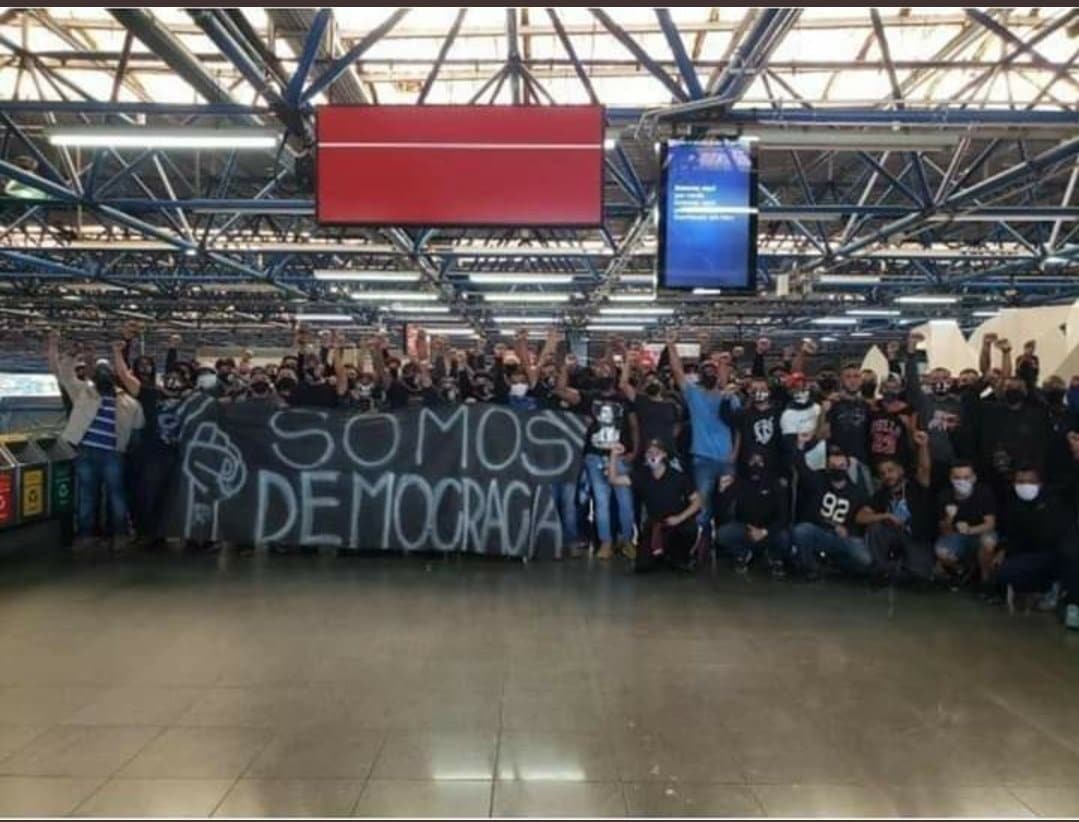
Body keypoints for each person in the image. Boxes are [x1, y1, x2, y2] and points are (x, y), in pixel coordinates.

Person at [46, 331, 145, 554]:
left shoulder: (128, 402)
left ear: (113, 376)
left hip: (110, 454)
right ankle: (89, 536)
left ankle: (115, 535)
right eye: (100, 371)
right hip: (89, 453)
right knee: (91, 497)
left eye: (106, 371)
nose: (103, 374)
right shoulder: (84, 392)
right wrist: (71, 354)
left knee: (110, 496)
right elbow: (65, 375)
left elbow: (138, 430)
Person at [664, 330, 741, 561]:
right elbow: (677, 372)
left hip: (727, 461)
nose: (709, 371)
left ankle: (727, 548)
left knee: (728, 508)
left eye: (713, 369)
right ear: (699, 374)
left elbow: (739, 429)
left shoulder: (730, 398)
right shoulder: (694, 395)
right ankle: (699, 548)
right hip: (703, 461)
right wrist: (671, 346)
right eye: (705, 369)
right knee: (703, 508)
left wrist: (735, 455)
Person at [555, 355, 639, 559]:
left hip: (619, 456)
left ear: (615, 374)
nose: (604, 371)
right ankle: (607, 543)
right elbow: (560, 391)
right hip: (594, 456)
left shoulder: (624, 397)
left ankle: (627, 541)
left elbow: (635, 426)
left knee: (625, 502)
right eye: (600, 368)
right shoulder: (589, 396)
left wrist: (634, 452)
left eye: (607, 368)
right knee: (601, 502)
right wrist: (564, 368)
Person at [988, 466, 1076, 609]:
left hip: (1054, 553)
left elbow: (1056, 535)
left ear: (1039, 484)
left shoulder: (1054, 503)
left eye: (1030, 481)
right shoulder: (1012, 504)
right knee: (1004, 571)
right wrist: (1003, 550)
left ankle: (1056, 588)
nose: (1025, 485)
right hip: (1027, 554)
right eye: (1020, 482)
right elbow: (1010, 532)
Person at [608, 440, 699, 573]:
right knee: (642, 567)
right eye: (650, 452)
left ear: (664, 455)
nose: (653, 455)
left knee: (688, 533)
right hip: (655, 525)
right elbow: (614, 479)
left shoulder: (677, 476)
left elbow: (697, 501)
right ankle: (660, 556)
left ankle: (679, 557)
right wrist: (613, 456)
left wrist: (679, 518)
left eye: (657, 452)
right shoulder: (641, 475)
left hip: (676, 523)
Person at [861, 431, 936, 583]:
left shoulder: (916, 486)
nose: (887, 475)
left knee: (920, 575)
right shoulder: (882, 494)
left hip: (917, 536)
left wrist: (922, 446)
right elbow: (861, 516)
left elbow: (924, 468)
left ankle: (903, 568)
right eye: (883, 473)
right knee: (874, 527)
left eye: (891, 471)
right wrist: (886, 516)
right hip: (894, 534)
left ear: (900, 470)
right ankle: (880, 570)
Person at [791, 443, 874, 578]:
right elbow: (801, 467)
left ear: (847, 467)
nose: (838, 470)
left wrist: (849, 531)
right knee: (801, 530)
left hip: (843, 539)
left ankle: (834, 565)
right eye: (833, 466)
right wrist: (799, 446)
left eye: (841, 466)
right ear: (828, 467)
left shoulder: (857, 492)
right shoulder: (818, 480)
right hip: (819, 532)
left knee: (865, 561)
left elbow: (859, 520)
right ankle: (810, 568)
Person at [715, 452, 791, 577]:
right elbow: (722, 508)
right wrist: (722, 492)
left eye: (759, 461)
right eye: (752, 461)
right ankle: (743, 554)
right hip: (746, 528)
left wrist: (764, 532)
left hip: (769, 530)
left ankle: (773, 557)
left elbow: (784, 517)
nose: (756, 465)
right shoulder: (740, 481)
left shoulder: (776, 484)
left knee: (785, 537)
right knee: (722, 534)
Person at [934, 460, 997, 587]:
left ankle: (986, 581)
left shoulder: (984, 492)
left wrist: (969, 530)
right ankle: (962, 570)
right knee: (941, 551)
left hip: (980, 534)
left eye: (966, 477)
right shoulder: (945, 496)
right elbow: (944, 532)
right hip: (956, 537)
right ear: (951, 478)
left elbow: (990, 524)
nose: (962, 481)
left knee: (988, 542)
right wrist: (949, 518)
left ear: (974, 478)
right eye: (957, 478)